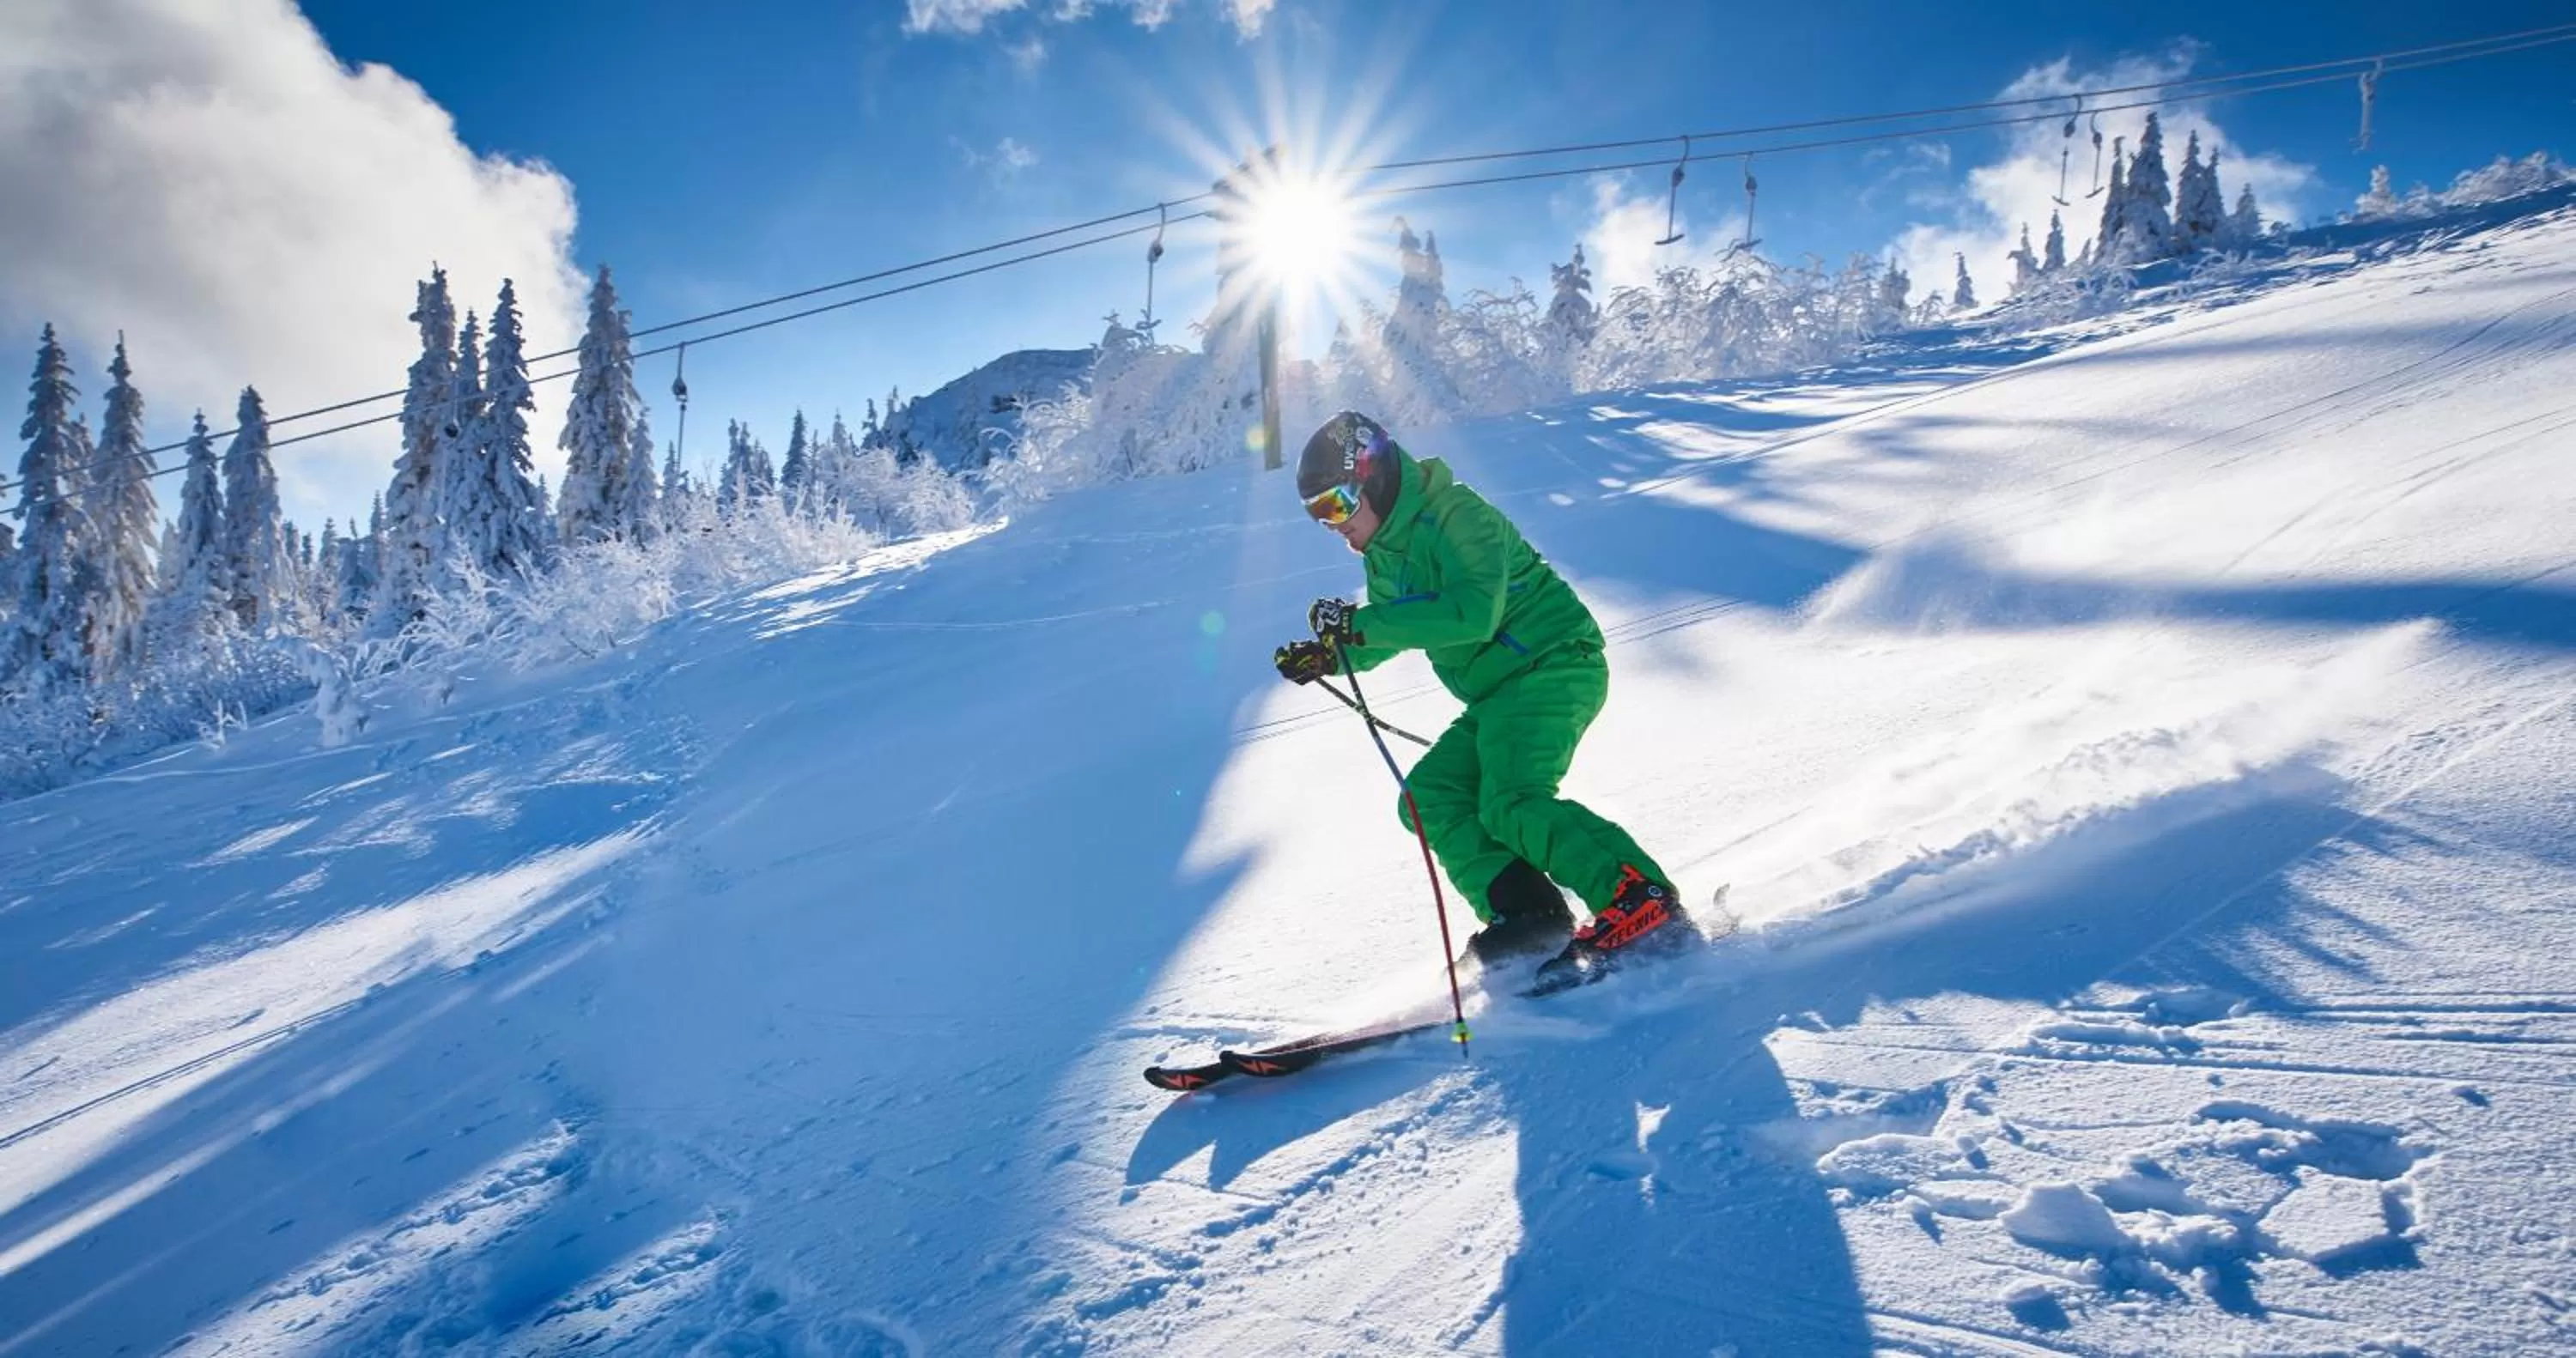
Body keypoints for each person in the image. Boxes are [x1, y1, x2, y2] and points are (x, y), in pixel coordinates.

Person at [1274, 410, 1690, 990]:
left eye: (1337, 505)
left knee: (1510, 800)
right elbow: (1399, 628)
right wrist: (1332, 656)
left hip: (1553, 664)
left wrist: (1358, 625)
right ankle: (1528, 914)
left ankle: (1638, 896)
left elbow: (1472, 614)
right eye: (1319, 515)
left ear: (1374, 479)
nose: (1333, 525)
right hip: (1499, 694)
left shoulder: (1457, 514)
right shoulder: (1386, 555)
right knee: (1428, 798)